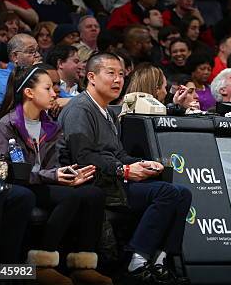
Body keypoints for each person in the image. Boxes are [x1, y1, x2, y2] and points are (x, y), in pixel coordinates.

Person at [57, 53, 192, 284]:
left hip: (113, 181)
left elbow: (117, 154)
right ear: (91, 77)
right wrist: (124, 171)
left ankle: (160, 259)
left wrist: (138, 163)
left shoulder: (107, 111)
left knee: (182, 193)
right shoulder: (80, 109)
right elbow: (84, 156)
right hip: (94, 184)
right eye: (110, 73)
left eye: (121, 74)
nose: (118, 80)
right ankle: (136, 261)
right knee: (167, 193)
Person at [0, 66, 111, 285]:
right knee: (70, 197)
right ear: (29, 93)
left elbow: (54, 166)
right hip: (18, 184)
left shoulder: (51, 127)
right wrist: (53, 176)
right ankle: (41, 263)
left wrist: (72, 175)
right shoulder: (8, 125)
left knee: (92, 193)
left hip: (43, 181)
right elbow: (4, 169)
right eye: (48, 88)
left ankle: (82, 265)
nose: (55, 93)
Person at [0, 34, 40, 109]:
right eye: (31, 51)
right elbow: (22, 101)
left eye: (37, 51)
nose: (37, 55)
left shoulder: (38, 74)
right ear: (15, 56)